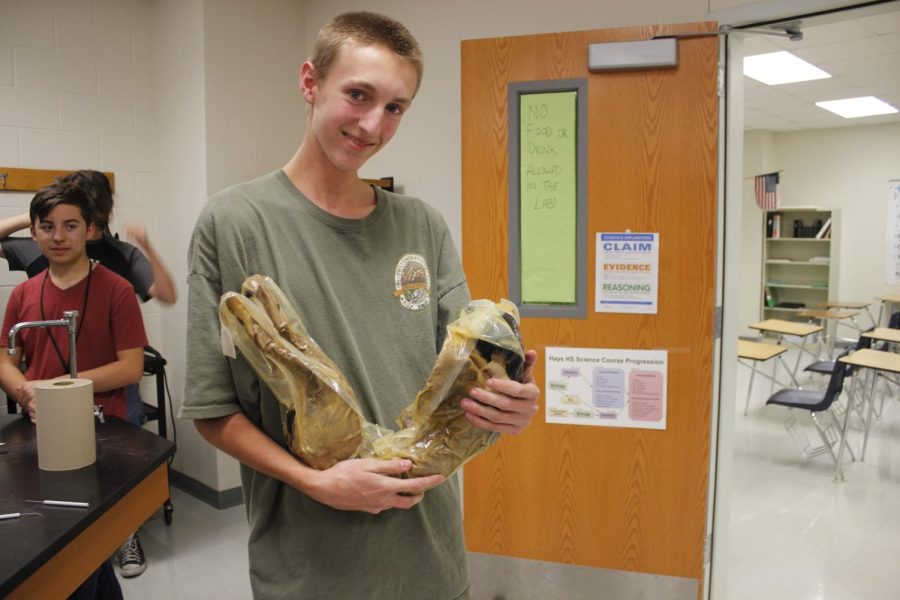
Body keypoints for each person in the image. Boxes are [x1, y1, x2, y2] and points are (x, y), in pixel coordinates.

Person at [179, 11, 540, 600]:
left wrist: (509, 404)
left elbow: (467, 381)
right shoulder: (234, 222)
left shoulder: (422, 226)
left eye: (395, 107)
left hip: (431, 562)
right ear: (309, 83)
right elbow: (213, 409)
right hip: (310, 569)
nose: (373, 124)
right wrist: (314, 481)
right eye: (358, 95)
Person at [0, 170, 175, 578]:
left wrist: (57, 389)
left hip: (109, 422)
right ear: (35, 234)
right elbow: (5, 358)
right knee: (59, 534)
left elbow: (131, 367)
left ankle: (125, 537)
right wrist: (23, 390)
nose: (58, 237)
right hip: (41, 424)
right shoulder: (24, 293)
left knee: (107, 517)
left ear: (90, 228)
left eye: (70, 226)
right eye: (47, 227)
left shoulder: (115, 288)